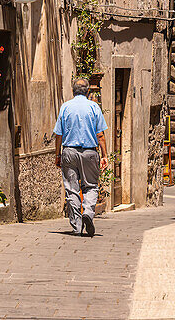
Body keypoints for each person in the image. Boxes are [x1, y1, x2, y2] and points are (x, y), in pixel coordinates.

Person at [53, 77, 108, 237]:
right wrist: (104, 155)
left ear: (73, 91)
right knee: (91, 186)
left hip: (69, 152)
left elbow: (59, 134)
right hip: (90, 153)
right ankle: (89, 212)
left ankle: (77, 226)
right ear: (88, 91)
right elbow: (100, 135)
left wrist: (58, 154)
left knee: (72, 189)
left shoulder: (65, 107)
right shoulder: (94, 107)